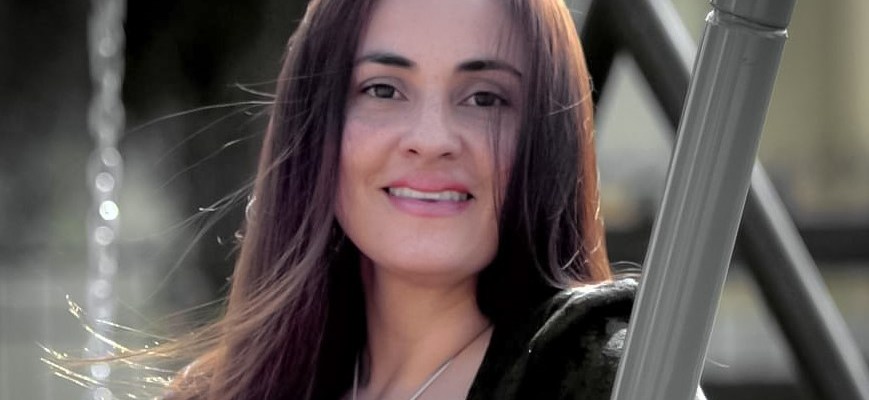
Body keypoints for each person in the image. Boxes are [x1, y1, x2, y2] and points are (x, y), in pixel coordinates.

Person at [167, 0, 683, 399]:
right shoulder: (219, 393)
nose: (432, 139)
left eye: (485, 98)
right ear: (314, 126)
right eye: (383, 90)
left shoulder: (613, 380)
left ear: (546, 142)